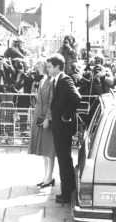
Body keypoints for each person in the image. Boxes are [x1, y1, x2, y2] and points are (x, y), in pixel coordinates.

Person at [47, 53, 82, 203]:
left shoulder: (65, 79)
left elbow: (76, 98)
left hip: (63, 128)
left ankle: (67, 193)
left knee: (64, 160)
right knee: (64, 159)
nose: (47, 69)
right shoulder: (57, 80)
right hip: (59, 127)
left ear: (57, 67)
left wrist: (66, 115)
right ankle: (69, 189)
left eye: (49, 67)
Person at [28, 60, 56, 188]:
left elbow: (52, 102)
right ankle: (46, 176)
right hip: (39, 114)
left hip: (45, 115)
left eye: (39, 66)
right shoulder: (43, 80)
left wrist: (48, 118)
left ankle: (49, 176)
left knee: (48, 149)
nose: (37, 69)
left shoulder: (51, 82)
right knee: (42, 149)